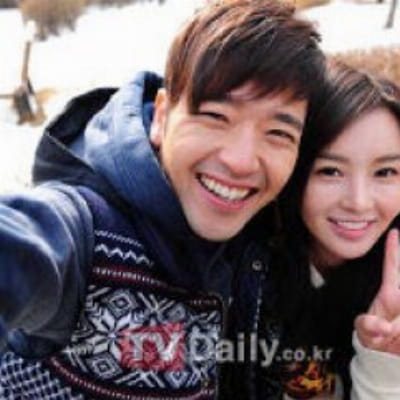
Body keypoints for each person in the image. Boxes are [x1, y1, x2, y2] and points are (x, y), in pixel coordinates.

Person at [0, 0, 326, 399]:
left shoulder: (264, 243)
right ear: (161, 117)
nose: (241, 161)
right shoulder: (83, 234)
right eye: (215, 117)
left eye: (278, 133)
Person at [264, 61, 400, 400]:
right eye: (330, 171)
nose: (359, 202)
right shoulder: (242, 271)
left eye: (385, 172)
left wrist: (383, 362)